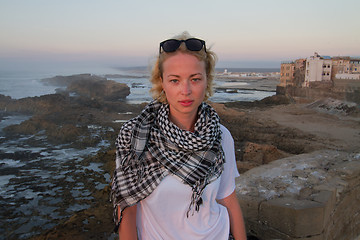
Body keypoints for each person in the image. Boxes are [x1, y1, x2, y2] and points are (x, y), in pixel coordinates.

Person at [111, 31, 247, 240]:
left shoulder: (220, 135)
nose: (186, 90)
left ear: (206, 81)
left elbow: (228, 199)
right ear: (162, 82)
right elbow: (127, 208)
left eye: (195, 79)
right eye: (175, 80)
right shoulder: (135, 136)